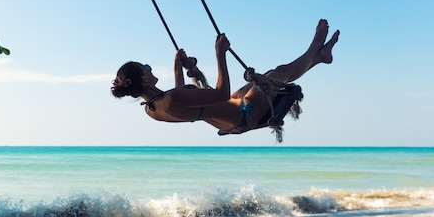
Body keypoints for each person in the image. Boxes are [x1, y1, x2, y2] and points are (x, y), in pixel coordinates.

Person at [111, 19, 339, 135]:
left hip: (232, 120)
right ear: (144, 79)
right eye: (146, 68)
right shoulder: (169, 100)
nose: (151, 69)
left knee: (268, 76)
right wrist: (220, 54)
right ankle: (315, 47)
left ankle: (319, 58)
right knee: (279, 73)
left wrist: (178, 68)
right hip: (243, 114)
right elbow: (219, 94)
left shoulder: (152, 108)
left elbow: (180, 100)